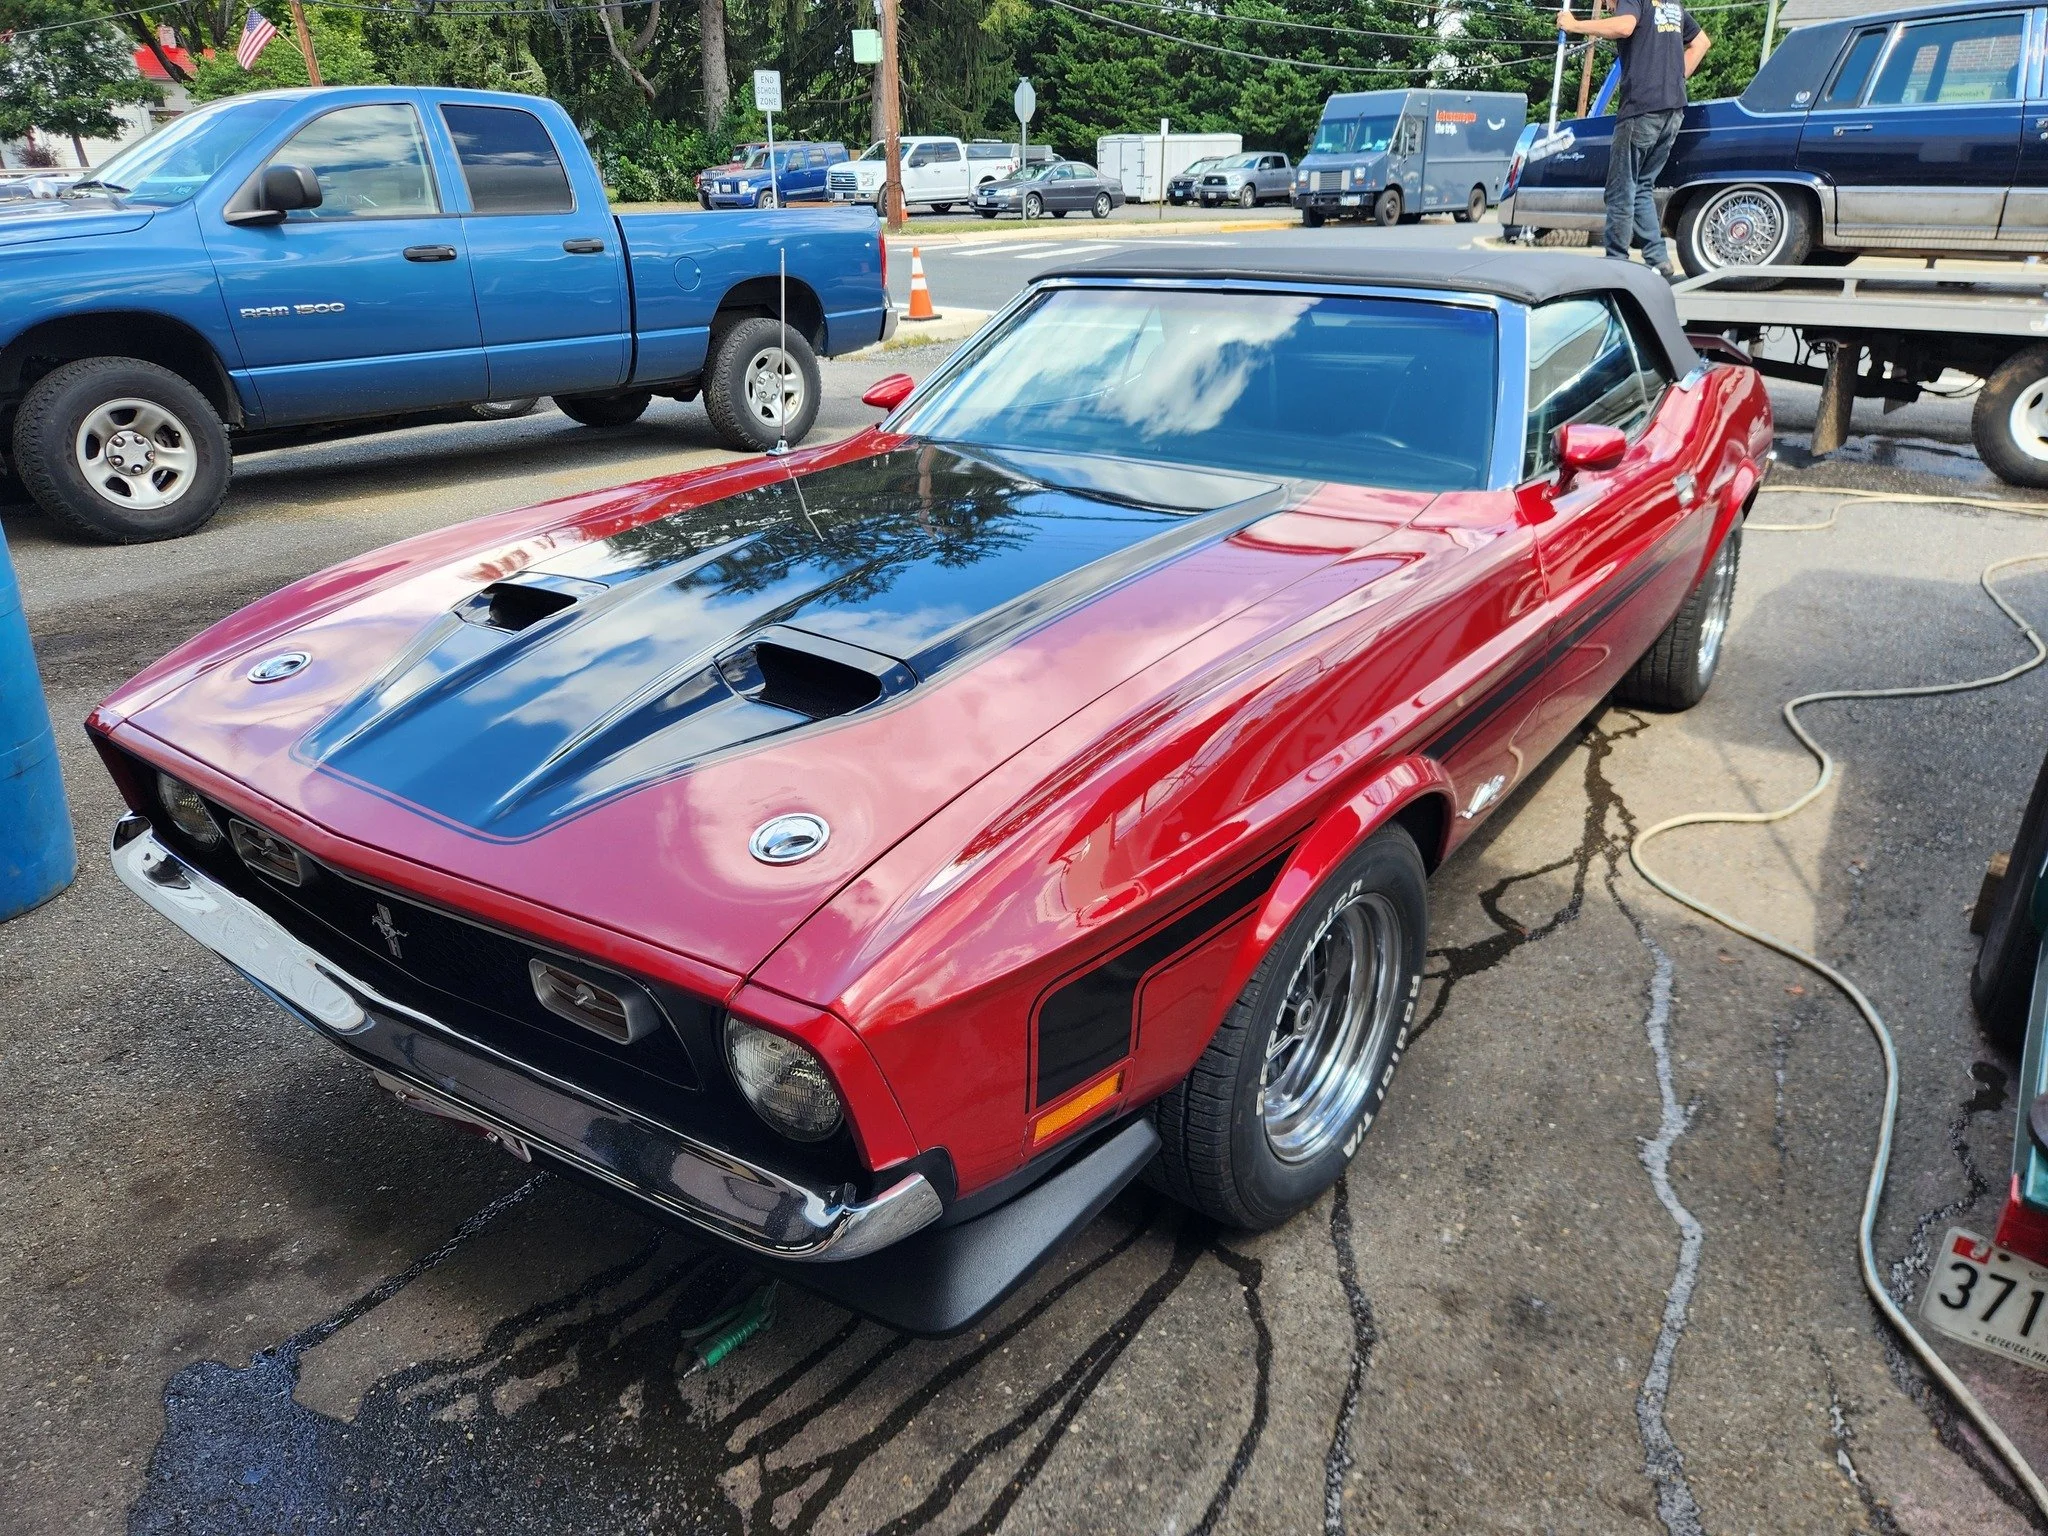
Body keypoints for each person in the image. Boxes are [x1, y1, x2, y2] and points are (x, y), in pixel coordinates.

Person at [1557, 0, 1710, 278]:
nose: (1607, 7)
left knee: (1620, 189)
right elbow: (1701, 42)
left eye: (1606, 3)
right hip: (1672, 110)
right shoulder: (1671, 4)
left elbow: (1624, 26)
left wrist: (1575, 25)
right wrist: (1675, 79)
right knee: (1641, 187)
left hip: (1642, 110)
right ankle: (1659, 259)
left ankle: (1616, 262)